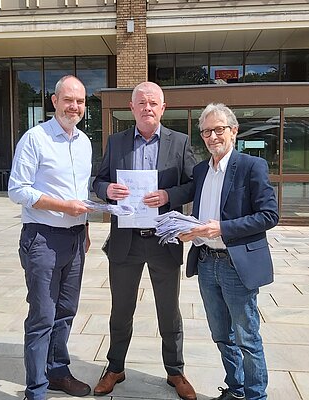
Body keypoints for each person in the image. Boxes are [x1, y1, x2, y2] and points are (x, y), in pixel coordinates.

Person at [92, 82, 197, 400]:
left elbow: (194, 184)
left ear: (163, 108)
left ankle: (175, 371)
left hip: (164, 239)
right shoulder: (117, 141)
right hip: (126, 240)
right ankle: (115, 367)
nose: (147, 107)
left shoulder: (180, 142)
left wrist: (169, 194)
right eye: (142, 102)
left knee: (169, 310)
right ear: (131, 107)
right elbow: (98, 180)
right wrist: (106, 190)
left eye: (154, 102)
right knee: (120, 310)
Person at [179, 103, 279, 400]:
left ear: (233, 131)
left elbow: (269, 215)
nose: (212, 136)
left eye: (218, 129)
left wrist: (222, 228)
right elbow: (199, 214)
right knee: (222, 335)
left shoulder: (251, 166)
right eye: (206, 131)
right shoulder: (200, 171)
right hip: (207, 263)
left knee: (247, 337)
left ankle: (255, 396)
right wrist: (190, 230)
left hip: (236, 264)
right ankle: (235, 390)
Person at [8, 75, 92, 400]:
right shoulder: (35, 139)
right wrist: (63, 206)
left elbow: (81, 194)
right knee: (43, 315)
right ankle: (36, 390)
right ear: (54, 102)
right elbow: (17, 190)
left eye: (80, 101)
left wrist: (85, 228)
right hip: (42, 238)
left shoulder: (84, 143)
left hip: (74, 241)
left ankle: (57, 372)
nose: (75, 106)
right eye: (68, 100)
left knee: (66, 311)